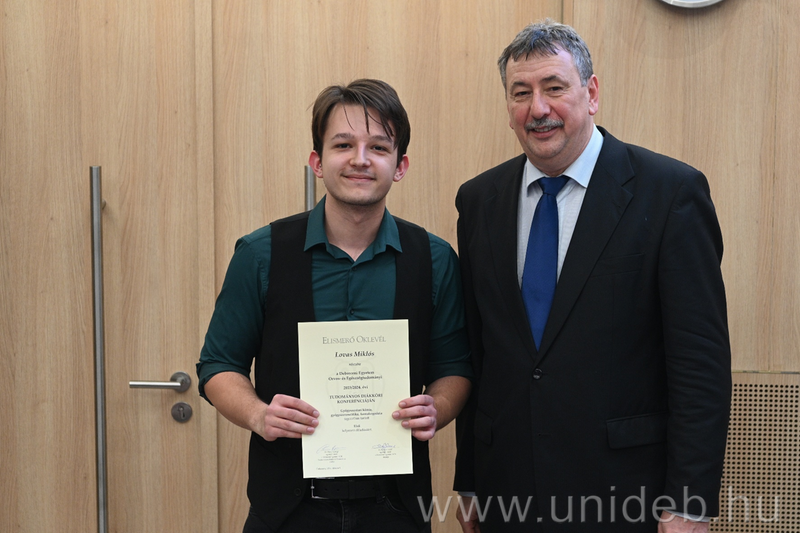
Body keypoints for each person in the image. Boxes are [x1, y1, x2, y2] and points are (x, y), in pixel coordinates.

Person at [453, 20, 731, 533]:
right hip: (507, 491)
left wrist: (689, 502)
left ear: (592, 93)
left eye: (554, 87)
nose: (538, 108)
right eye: (521, 92)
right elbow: (480, 352)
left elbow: (700, 366)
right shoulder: (478, 201)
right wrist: (469, 480)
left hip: (625, 495)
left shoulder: (670, 193)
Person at [197, 79, 472, 533]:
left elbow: (455, 367)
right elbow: (217, 366)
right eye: (343, 145)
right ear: (317, 162)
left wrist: (437, 408)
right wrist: (259, 415)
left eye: (378, 147)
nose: (360, 159)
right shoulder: (261, 254)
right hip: (286, 511)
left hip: (396, 511)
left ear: (400, 166)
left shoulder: (435, 259)